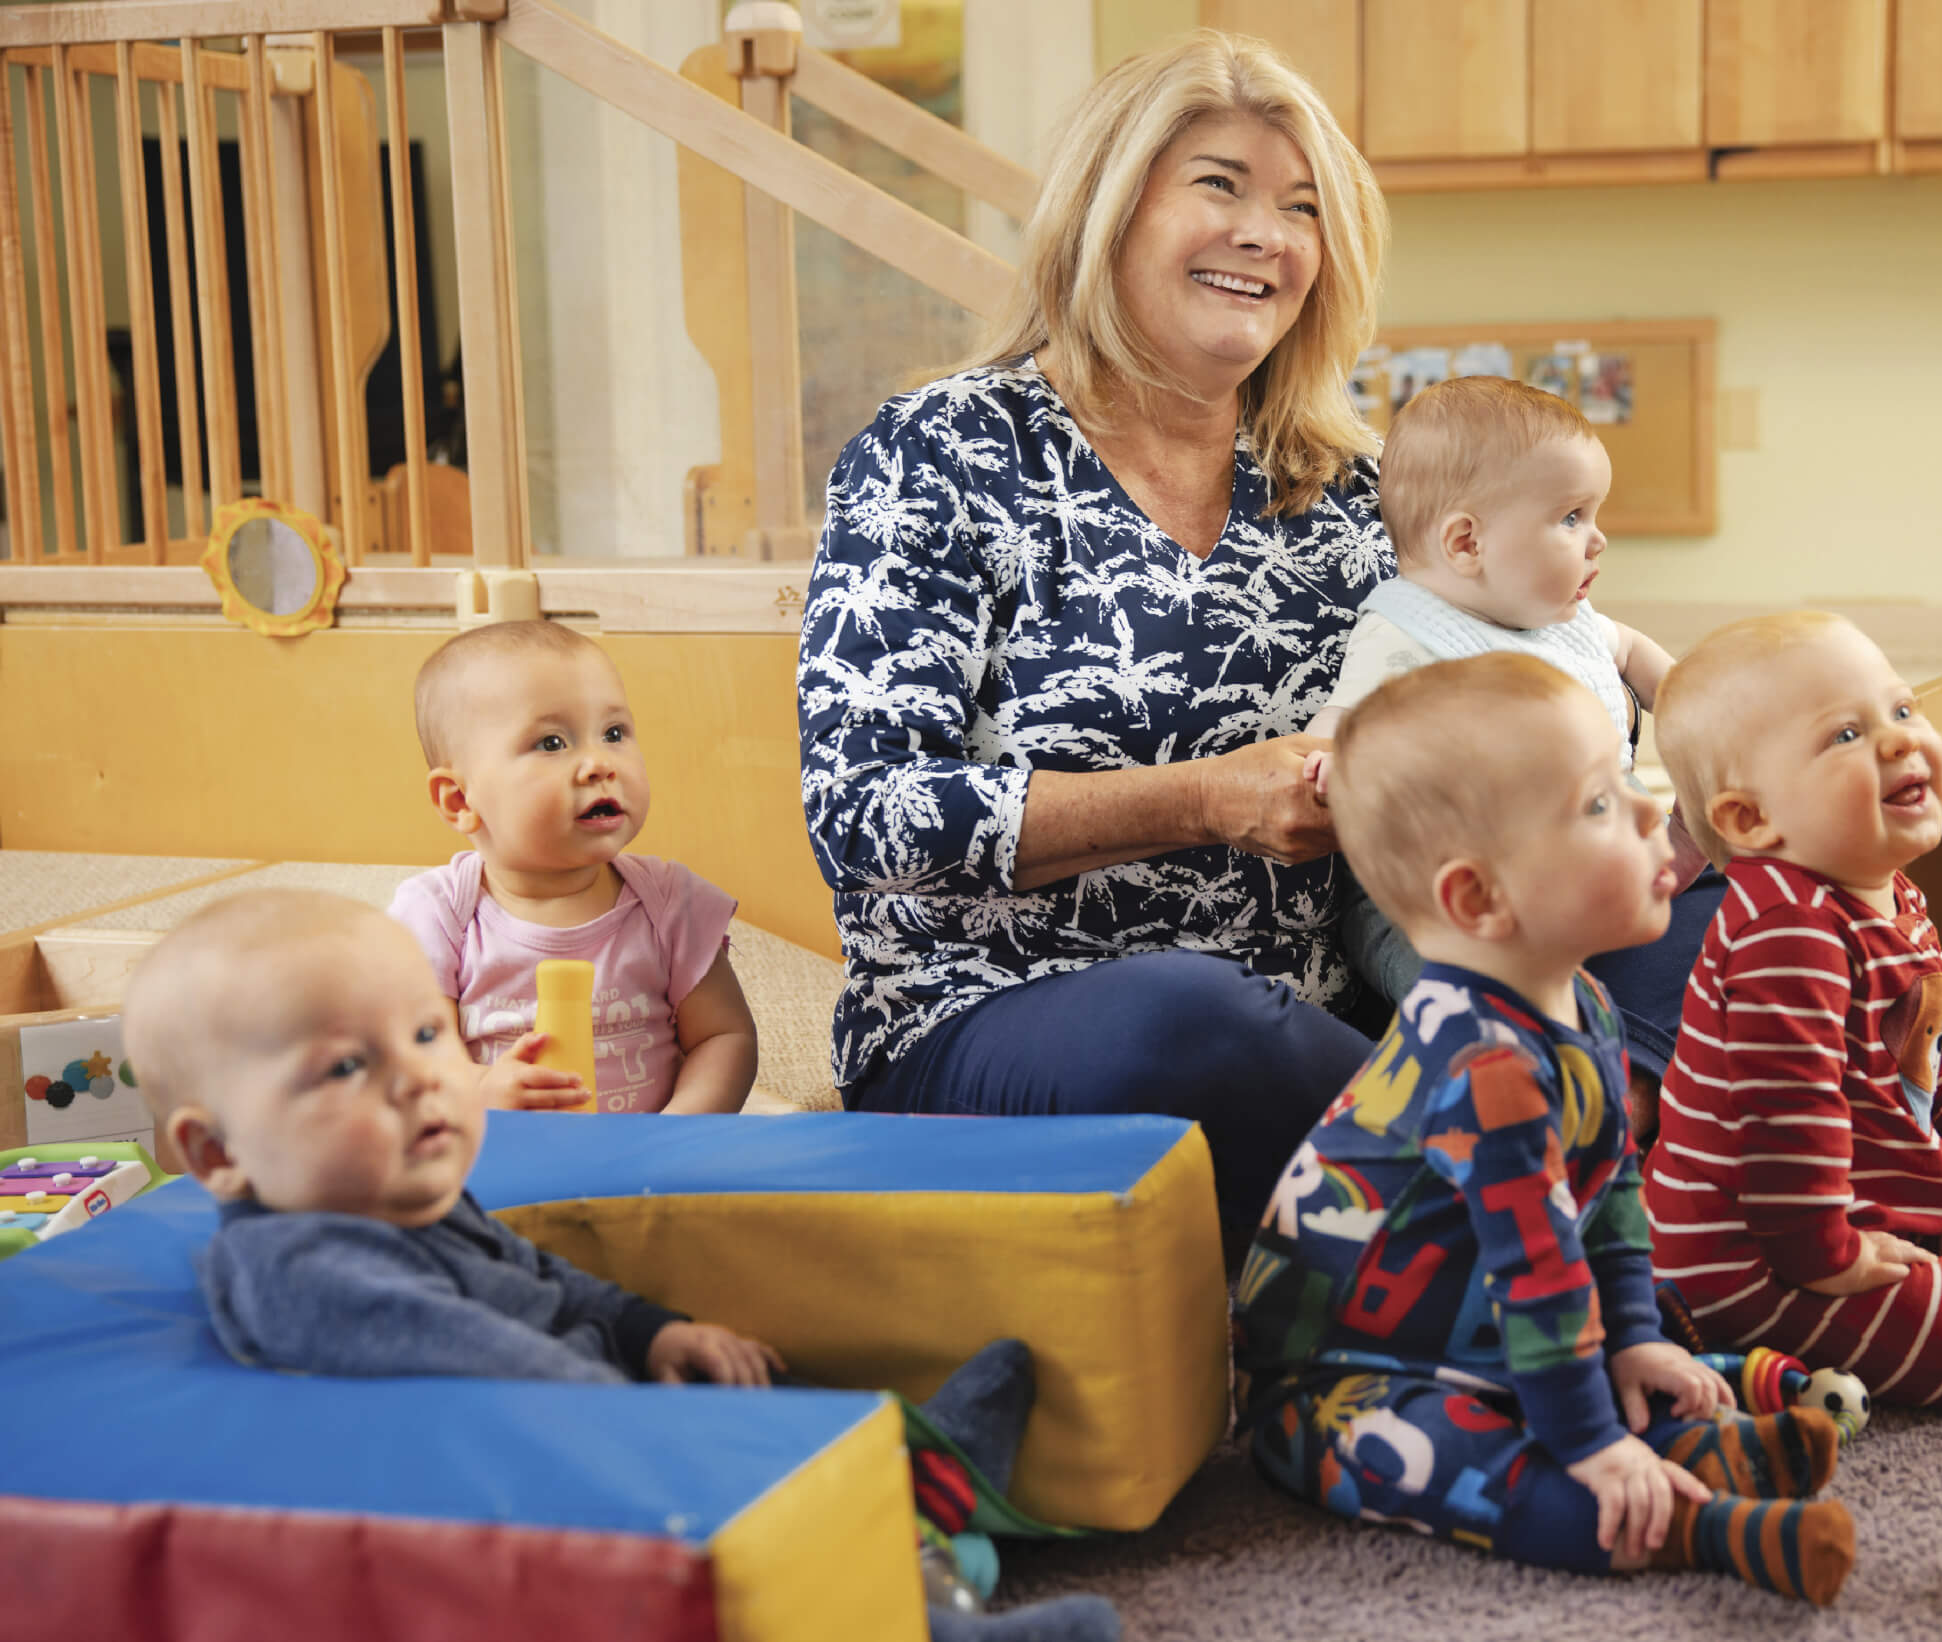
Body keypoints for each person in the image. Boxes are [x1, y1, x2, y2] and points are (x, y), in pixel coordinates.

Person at [120, 889, 1116, 1642]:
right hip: (554, 1496)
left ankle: (928, 1479)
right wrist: (660, 1427)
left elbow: (546, 1281)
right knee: (766, 1549)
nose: (422, 1079)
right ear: (217, 1154)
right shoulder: (300, 1264)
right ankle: (924, 1613)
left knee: (773, 1382)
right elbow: (495, 1369)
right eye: (346, 1067)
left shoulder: (410, 1196)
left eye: (427, 1033)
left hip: (605, 1423)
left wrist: (653, 1329)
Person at [796, 31, 1391, 1267]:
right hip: (979, 1021)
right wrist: (1206, 801)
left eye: (1300, 208)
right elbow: (863, 810)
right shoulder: (942, 453)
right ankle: (1577, 1249)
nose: (1265, 235)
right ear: (1107, 212)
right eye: (1218, 185)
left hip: (1311, 1020)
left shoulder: (1343, 488)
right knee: (1188, 1016)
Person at [1233, 655, 1855, 1607]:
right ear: (1479, 900)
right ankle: (1699, 1526)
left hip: (1488, 1335)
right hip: (1343, 1384)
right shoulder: (1481, 1067)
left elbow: (1606, 1198)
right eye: (1601, 804)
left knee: (1606, 1365)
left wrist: (1636, 1335)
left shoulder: (1586, 1004)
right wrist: (1592, 1445)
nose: (1654, 813)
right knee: (1462, 1465)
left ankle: (1686, 1434)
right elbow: (1538, 1273)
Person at [1643, 612, 1942, 1404]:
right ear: (1750, 820)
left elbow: (1937, 1031)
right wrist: (1823, 1256)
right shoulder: (1784, 933)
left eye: (1900, 711)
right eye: (1843, 737)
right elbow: (1785, 1123)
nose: (1898, 741)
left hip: (1853, 1200)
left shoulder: (1880, 887)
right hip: (1751, 1260)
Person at [1297, 376, 1718, 1137]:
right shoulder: (1403, 634)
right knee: (1462, 984)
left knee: (1724, 906)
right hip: (1441, 897)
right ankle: (1507, 1102)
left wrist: (1693, 703)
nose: (1597, 539)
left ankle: (1628, 1067)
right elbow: (1343, 717)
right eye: (1569, 517)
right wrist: (1331, 756)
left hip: (1587, 853)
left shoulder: (1568, 617)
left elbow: (1630, 652)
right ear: (1466, 543)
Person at [391, 620, 758, 1114]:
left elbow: (724, 1036)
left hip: (644, 1167)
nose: (599, 764)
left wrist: (674, 1135)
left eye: (613, 733)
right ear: (460, 799)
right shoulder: (438, 914)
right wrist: (477, 1089)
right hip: (501, 1161)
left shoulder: (670, 903)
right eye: (552, 743)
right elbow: (414, 1054)